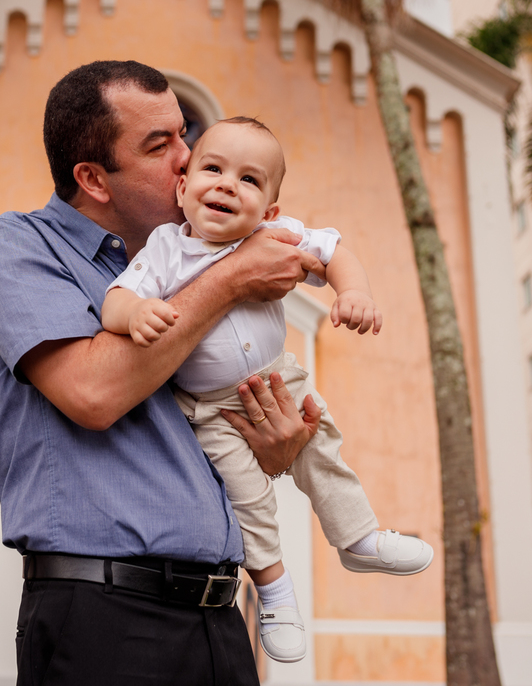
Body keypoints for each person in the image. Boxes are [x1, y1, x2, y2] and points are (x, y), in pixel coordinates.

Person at [0, 60, 325, 686]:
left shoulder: (182, 265)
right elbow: (92, 392)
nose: (188, 158)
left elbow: (200, 432)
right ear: (92, 178)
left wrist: (272, 448)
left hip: (219, 621)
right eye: (160, 146)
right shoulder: (18, 247)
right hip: (105, 622)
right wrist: (234, 276)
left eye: (185, 133)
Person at [101, 117, 434, 664]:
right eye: (213, 169)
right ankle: (275, 593)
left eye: (250, 180)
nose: (228, 185)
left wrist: (354, 291)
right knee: (248, 500)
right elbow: (117, 297)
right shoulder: (164, 248)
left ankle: (358, 538)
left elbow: (333, 251)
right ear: (182, 188)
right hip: (211, 409)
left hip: (281, 378)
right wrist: (134, 313)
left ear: (270, 212)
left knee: (323, 451)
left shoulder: (273, 238)